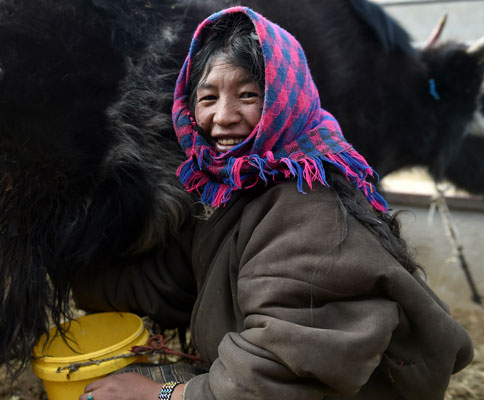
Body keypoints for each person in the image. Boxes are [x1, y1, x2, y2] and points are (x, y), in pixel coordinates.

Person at [72, 7, 473, 400]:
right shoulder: (243, 190)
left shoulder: (309, 208)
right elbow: (174, 278)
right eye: (207, 96)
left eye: (247, 94)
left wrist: (159, 394)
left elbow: (278, 377)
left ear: (286, 96)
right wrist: (68, 275)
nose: (222, 117)